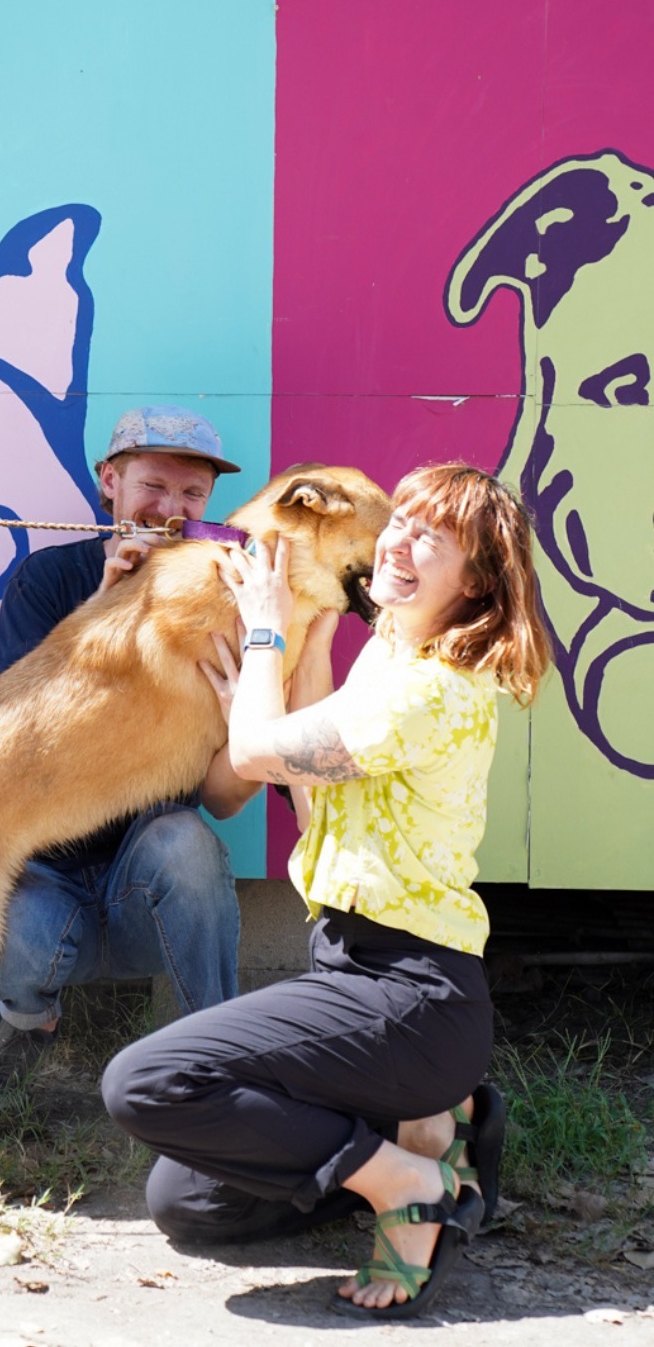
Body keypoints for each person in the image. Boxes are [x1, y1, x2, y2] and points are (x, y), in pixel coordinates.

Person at [102, 462, 552, 1319]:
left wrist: (267, 634)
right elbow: (313, 805)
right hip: (351, 971)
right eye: (402, 523)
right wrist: (278, 673)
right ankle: (434, 1128)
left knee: (146, 1084)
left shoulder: (427, 691)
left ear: (477, 584)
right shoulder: (392, 656)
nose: (400, 543)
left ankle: (409, 1184)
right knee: (190, 1203)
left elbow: (255, 758)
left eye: (434, 538)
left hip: (410, 990)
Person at [0, 405, 261, 1085]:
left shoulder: (225, 606)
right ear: (110, 482)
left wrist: (257, 715)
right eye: (152, 487)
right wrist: (104, 613)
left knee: (186, 841)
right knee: (3, 900)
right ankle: (29, 1025)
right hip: (48, 870)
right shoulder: (48, 582)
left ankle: (214, 1058)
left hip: (149, 878)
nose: (171, 509)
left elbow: (222, 802)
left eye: (192, 495)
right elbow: (23, 748)